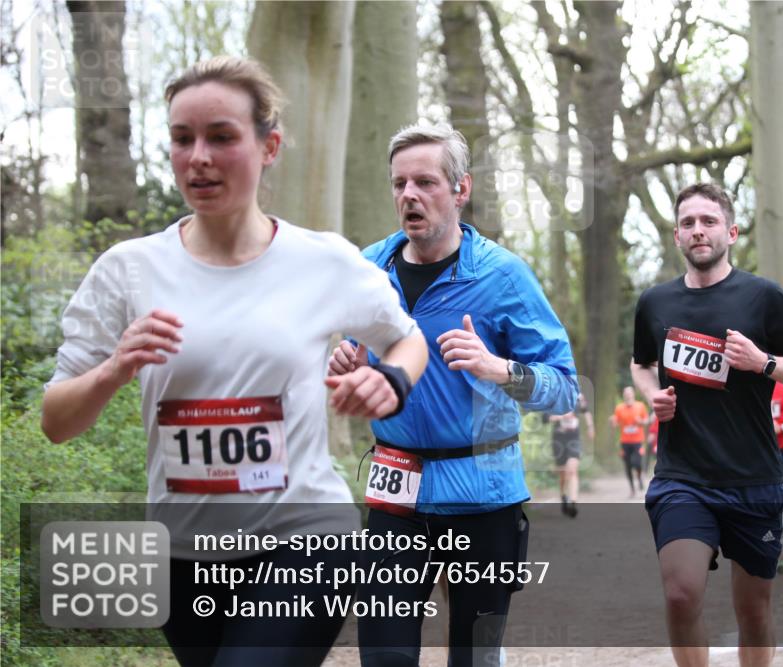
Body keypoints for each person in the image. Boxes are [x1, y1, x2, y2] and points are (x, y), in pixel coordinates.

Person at [40, 56, 428, 667]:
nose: (198, 157)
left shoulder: (321, 261)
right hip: (180, 554)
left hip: (305, 541)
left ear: (269, 145)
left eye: (221, 137)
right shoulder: (127, 269)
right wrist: (115, 368)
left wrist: (392, 379)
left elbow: (408, 339)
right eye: (181, 138)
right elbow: (57, 422)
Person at [326, 123, 578, 666]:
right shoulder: (368, 268)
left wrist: (500, 369)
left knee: (475, 658)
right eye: (399, 184)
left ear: (460, 190)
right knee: (385, 657)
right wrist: (346, 360)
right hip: (397, 493)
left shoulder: (503, 276)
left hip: (483, 494)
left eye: (425, 182)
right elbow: (355, 351)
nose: (408, 196)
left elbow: (564, 390)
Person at [630, 183, 783, 667]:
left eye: (709, 221)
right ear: (676, 236)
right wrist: (653, 392)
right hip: (682, 476)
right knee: (680, 594)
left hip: (753, 477)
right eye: (689, 223)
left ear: (730, 232)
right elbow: (639, 362)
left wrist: (763, 362)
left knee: (753, 610)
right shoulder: (655, 303)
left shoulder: (765, 298)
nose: (699, 230)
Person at [548, 393, 595, 517]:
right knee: (563, 475)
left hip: (574, 440)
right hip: (558, 441)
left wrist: (590, 426)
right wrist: (562, 416)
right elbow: (546, 418)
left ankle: (573, 503)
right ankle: (564, 497)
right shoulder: (553, 397)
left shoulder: (577, 396)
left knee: (572, 470)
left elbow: (586, 411)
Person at [609, 386, 649, 497]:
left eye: (629, 393)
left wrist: (641, 421)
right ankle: (632, 489)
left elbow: (646, 421)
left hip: (638, 441)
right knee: (627, 466)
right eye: (626, 393)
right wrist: (611, 422)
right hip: (625, 442)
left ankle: (640, 478)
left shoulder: (640, 406)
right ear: (623, 395)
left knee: (636, 463)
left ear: (633, 394)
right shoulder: (619, 408)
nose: (628, 395)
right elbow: (615, 423)